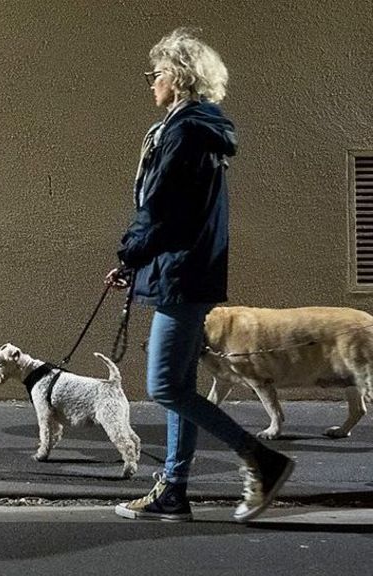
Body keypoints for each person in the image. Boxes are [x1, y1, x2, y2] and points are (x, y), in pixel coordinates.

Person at [105, 28, 294, 523]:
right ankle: (174, 490)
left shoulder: (185, 131)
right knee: (181, 385)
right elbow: (177, 211)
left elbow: (163, 209)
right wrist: (137, 259)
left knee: (166, 386)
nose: (151, 83)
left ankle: (262, 460)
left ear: (180, 78)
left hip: (181, 275)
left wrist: (130, 255)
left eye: (157, 74)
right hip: (184, 270)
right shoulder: (194, 130)